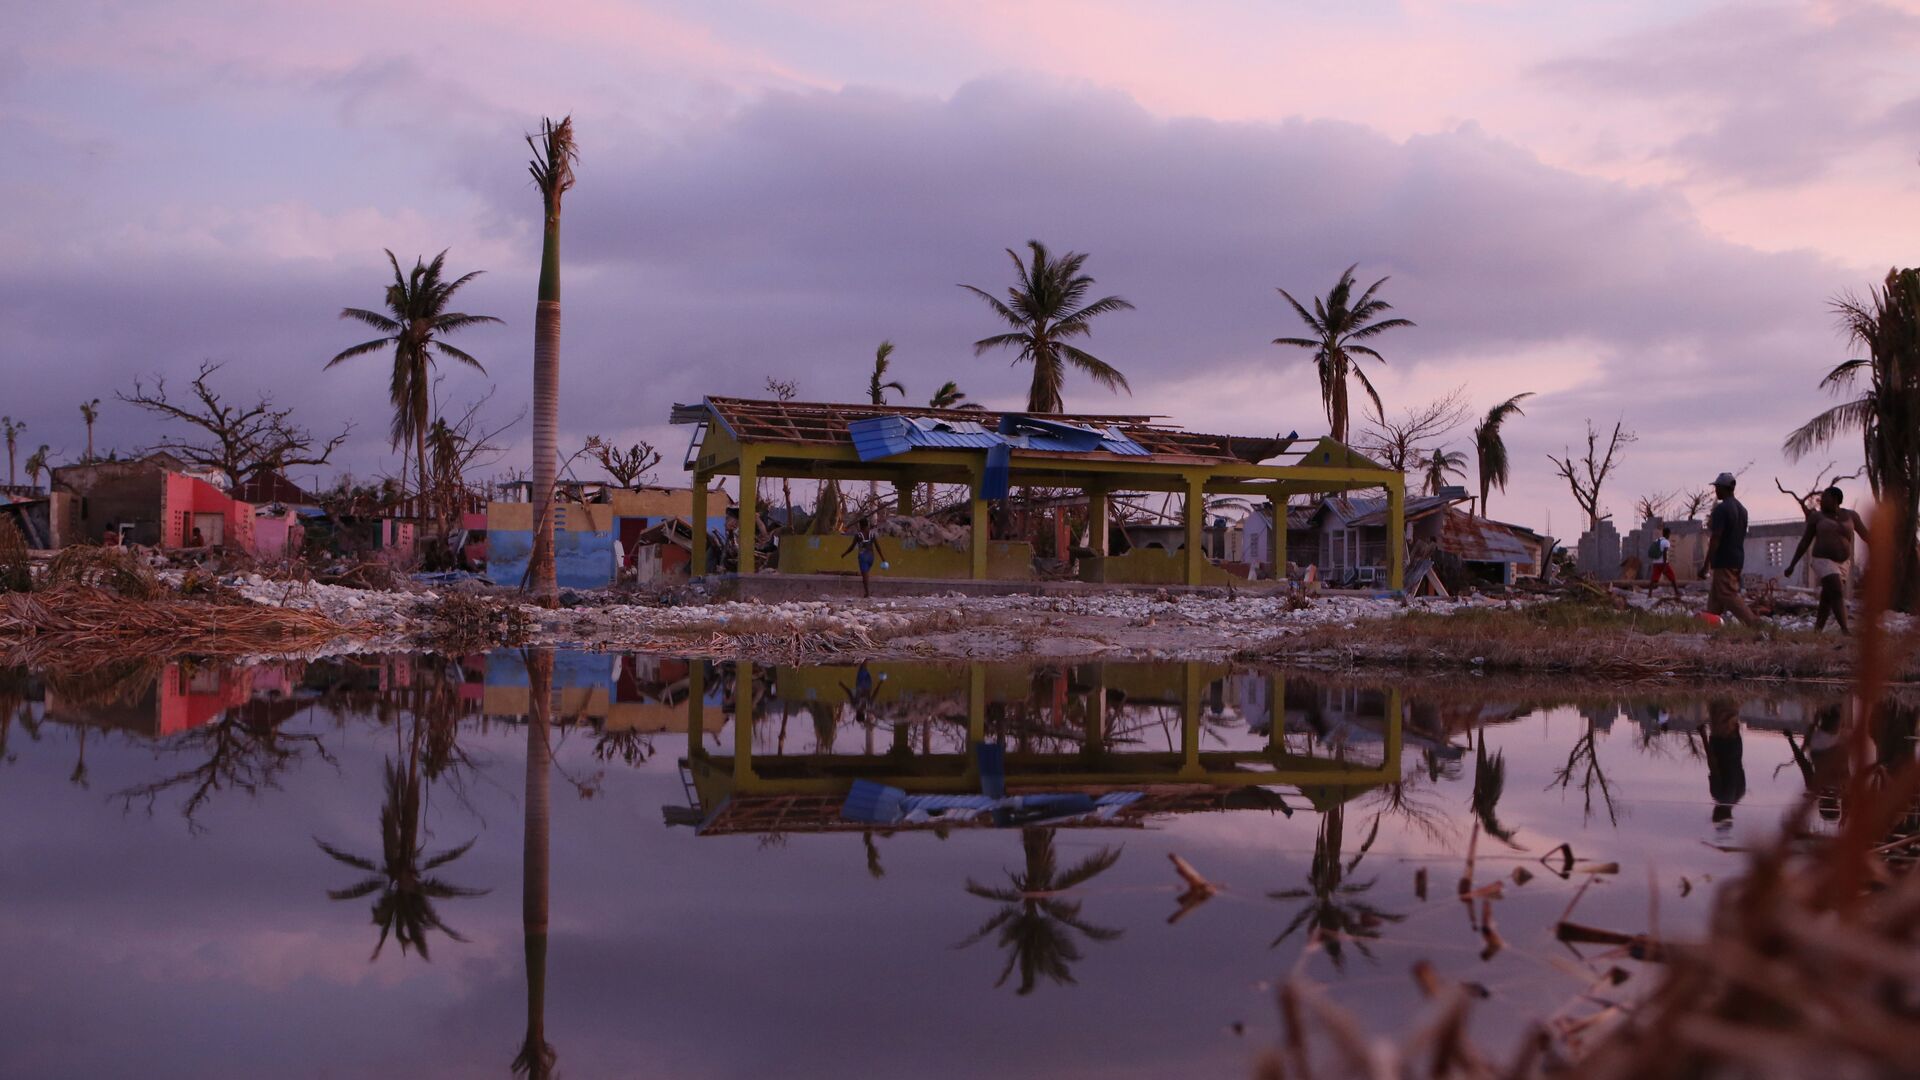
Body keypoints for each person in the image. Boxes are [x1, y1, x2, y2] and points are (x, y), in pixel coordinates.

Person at [1784, 486, 1868, 634]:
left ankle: (1817, 630)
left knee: (1827, 597)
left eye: (1825, 498)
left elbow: (1866, 535)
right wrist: (1792, 565)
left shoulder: (1851, 516)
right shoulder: (1817, 517)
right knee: (1836, 591)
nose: (1821, 501)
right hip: (1822, 560)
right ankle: (1845, 630)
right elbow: (1804, 542)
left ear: (1835, 500)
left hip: (1843, 563)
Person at [1699, 473, 1761, 626]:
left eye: (1717, 488)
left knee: (1727, 593)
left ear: (1723, 488)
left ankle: (1753, 623)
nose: (1716, 491)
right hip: (1737, 558)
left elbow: (1716, 538)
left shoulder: (1722, 509)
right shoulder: (1743, 510)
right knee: (1716, 596)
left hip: (1724, 559)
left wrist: (1706, 565)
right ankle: (1710, 624)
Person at [1705, 698, 1746, 828]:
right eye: (1714, 815)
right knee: (1719, 705)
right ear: (1719, 815)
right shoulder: (1718, 795)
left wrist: (1737, 733)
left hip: (1735, 745)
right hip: (1721, 743)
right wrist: (1703, 737)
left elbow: (1739, 769)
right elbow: (1713, 766)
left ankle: (1734, 694)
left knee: (1730, 710)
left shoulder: (1741, 793)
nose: (1713, 812)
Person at [842, 517, 887, 598]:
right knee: (866, 574)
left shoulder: (858, 535)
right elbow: (877, 547)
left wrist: (845, 554)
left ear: (860, 525)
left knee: (865, 576)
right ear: (867, 525)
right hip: (871, 557)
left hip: (863, 557)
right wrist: (883, 559)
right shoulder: (872, 535)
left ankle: (867, 593)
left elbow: (852, 547)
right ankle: (866, 592)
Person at [1646, 526, 1680, 600]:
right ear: (1668, 534)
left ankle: (1649, 594)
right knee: (1672, 577)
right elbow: (1665, 553)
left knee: (1653, 579)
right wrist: (1665, 565)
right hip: (1663, 563)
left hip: (1655, 562)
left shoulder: (1657, 540)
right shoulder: (1666, 542)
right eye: (1669, 534)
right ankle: (1677, 593)